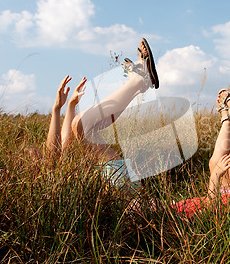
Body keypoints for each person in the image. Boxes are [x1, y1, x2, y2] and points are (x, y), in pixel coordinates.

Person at [42, 38, 159, 186]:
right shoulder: (48, 177)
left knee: (80, 124)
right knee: (82, 124)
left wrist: (70, 106)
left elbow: (64, 144)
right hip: (120, 186)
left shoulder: (58, 170)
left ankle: (139, 84)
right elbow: (52, 156)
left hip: (117, 179)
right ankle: (138, 81)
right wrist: (56, 109)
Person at [170, 88, 230, 218]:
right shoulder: (177, 219)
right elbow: (211, 208)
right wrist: (215, 176)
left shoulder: (173, 208)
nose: (143, 202)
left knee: (214, 162)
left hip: (224, 197)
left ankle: (227, 119)